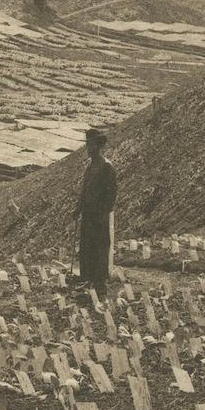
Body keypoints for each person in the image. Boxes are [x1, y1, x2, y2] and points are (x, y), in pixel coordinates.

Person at [75, 127, 117, 298]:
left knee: (99, 247)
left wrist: (102, 212)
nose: (88, 148)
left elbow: (111, 194)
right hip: (88, 214)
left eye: (90, 145)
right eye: (87, 145)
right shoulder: (90, 166)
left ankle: (100, 284)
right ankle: (89, 280)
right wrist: (78, 208)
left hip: (99, 216)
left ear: (97, 146)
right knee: (87, 247)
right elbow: (84, 190)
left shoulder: (107, 167)